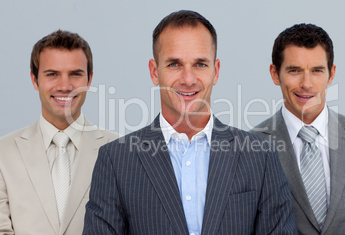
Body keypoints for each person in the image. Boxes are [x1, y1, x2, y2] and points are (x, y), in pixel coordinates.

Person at [84, 10, 297, 235]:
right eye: (174, 64)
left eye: (200, 64)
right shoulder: (115, 161)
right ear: (154, 72)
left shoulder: (260, 157)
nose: (188, 79)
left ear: (215, 71)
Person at [251, 23, 345, 234]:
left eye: (317, 71)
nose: (306, 83)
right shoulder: (249, 147)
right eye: (294, 71)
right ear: (275, 74)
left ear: (331, 74)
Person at [0, 30, 118, 235]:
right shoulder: (4, 153)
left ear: (89, 80)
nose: (65, 86)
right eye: (52, 74)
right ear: (34, 80)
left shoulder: (118, 151)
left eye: (75, 74)